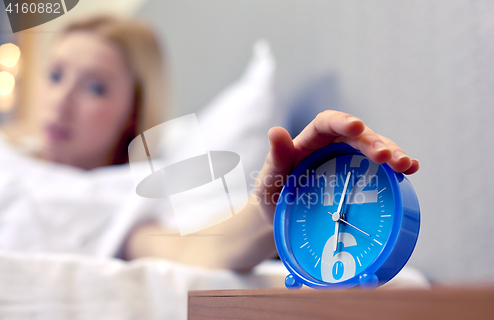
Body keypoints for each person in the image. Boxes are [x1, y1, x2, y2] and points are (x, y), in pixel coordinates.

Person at [1, 16, 419, 271]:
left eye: (95, 87)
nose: (62, 101)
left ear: (133, 111)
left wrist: (275, 206)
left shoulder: (114, 198)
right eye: (55, 76)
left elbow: (201, 251)